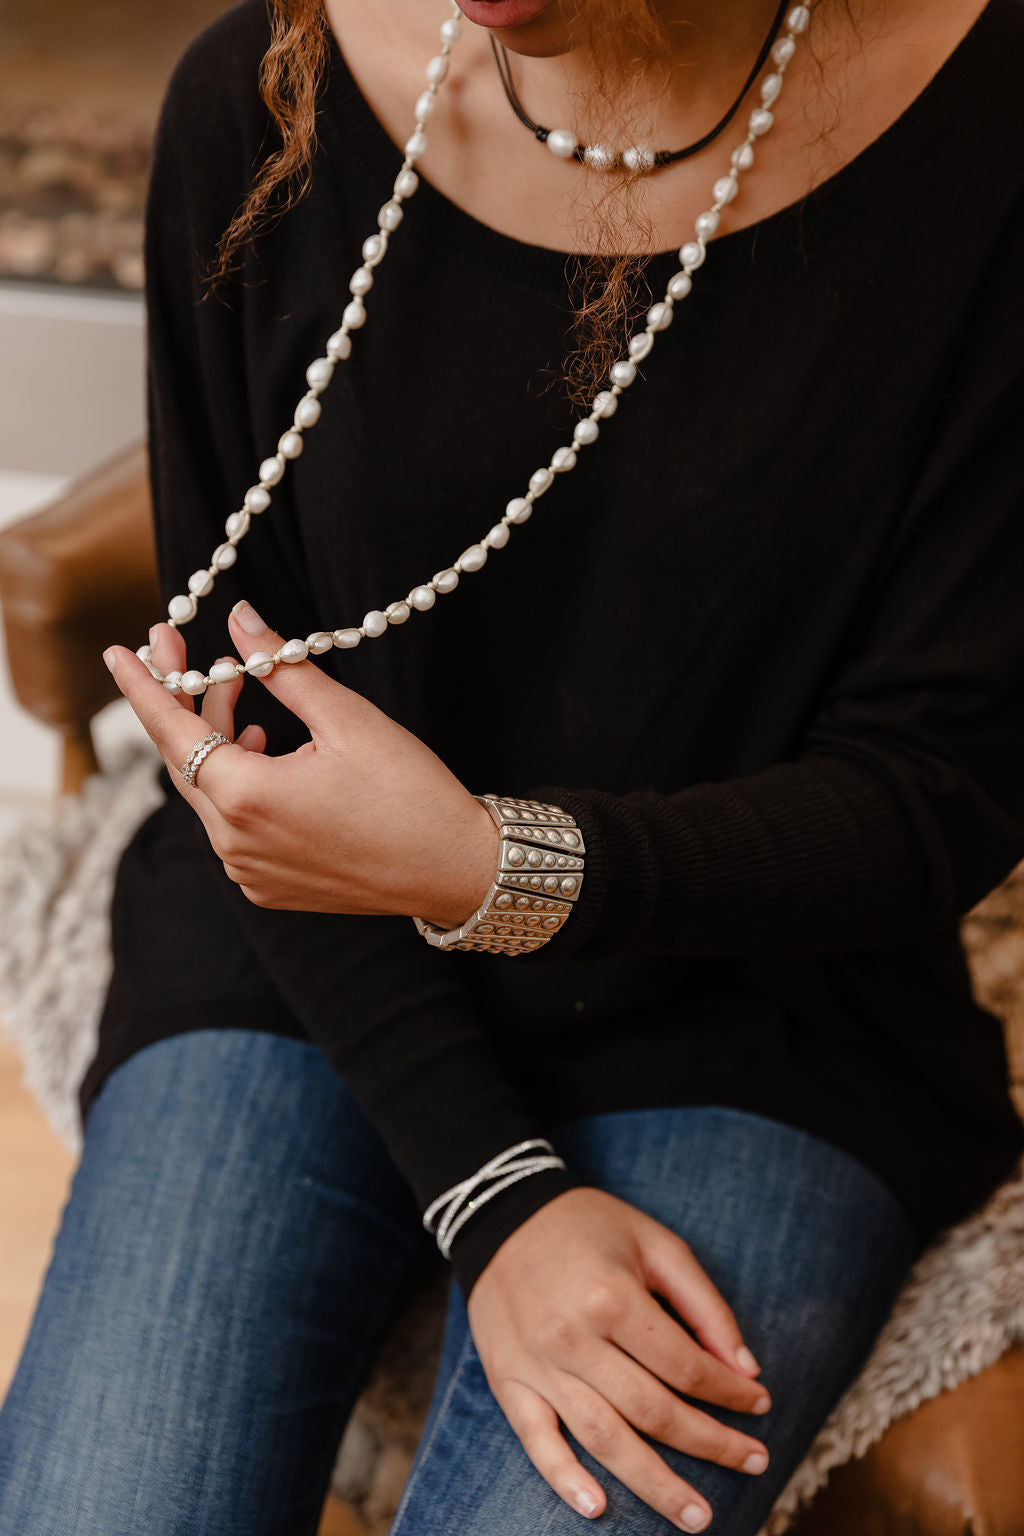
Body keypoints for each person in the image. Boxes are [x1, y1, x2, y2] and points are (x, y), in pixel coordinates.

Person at [2, 0, 1023, 1531]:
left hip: (763, 1016)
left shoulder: (991, 128)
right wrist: (497, 1189)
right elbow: (238, 730)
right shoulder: (262, 94)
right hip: (301, 958)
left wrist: (485, 867)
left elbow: (939, 787)